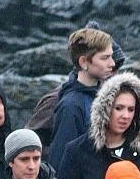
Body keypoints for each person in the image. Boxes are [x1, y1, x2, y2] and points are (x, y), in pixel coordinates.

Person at [48, 27, 117, 169]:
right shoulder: (71, 105)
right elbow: (60, 160)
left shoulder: (109, 95)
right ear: (84, 62)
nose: (112, 63)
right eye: (104, 58)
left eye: (111, 56)